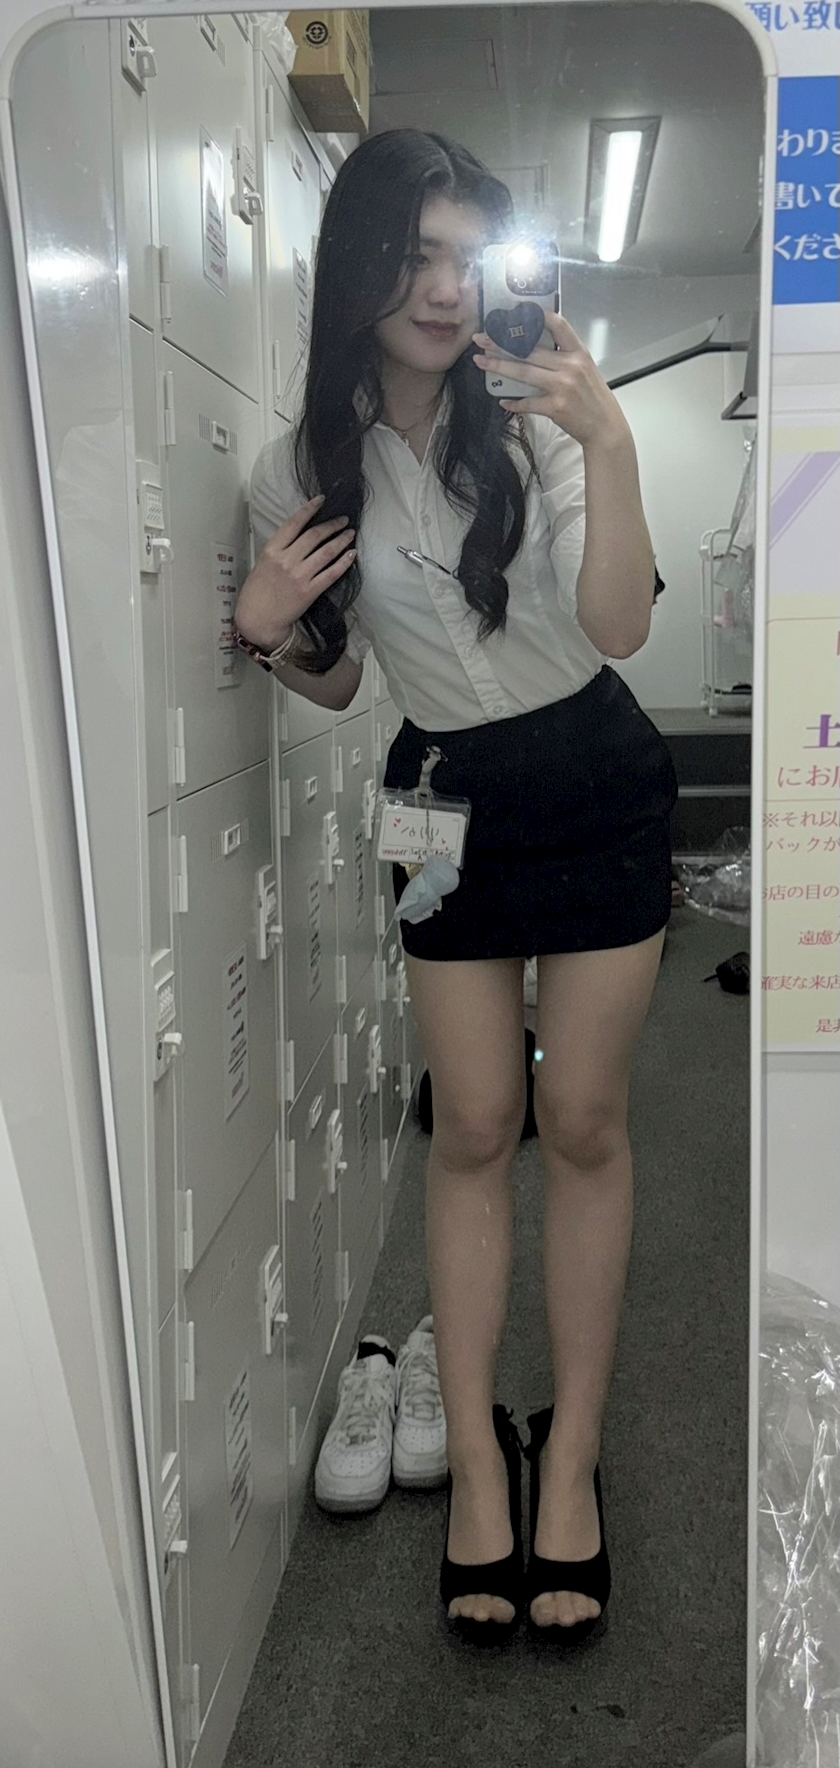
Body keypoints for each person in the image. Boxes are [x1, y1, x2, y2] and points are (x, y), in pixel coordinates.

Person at [235, 128, 679, 1641]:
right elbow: (339, 677)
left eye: (465, 257)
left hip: (596, 775)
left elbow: (617, 627)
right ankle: (483, 1462)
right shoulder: (298, 465)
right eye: (413, 255)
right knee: (476, 1125)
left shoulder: (541, 416)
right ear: (357, 263)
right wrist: (266, 628)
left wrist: (608, 444)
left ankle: (575, 1459)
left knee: (585, 1120)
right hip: (443, 798)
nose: (441, 288)